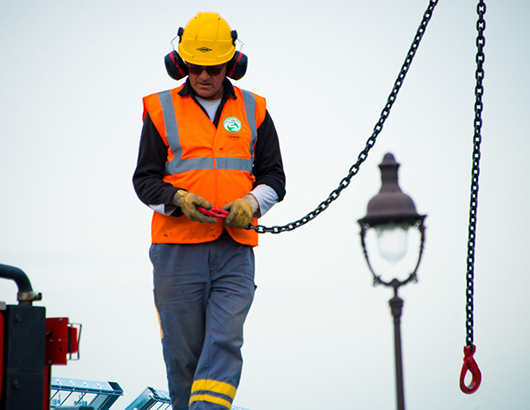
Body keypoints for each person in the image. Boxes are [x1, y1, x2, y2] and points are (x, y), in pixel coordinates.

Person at [132, 11, 286, 410]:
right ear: (180, 64)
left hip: (234, 250)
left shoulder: (254, 110)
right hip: (177, 249)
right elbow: (144, 181)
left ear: (231, 65)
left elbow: (274, 178)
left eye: (214, 68)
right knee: (183, 356)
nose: (204, 76)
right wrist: (179, 200)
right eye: (196, 67)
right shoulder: (160, 110)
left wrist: (251, 203)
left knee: (224, 341)